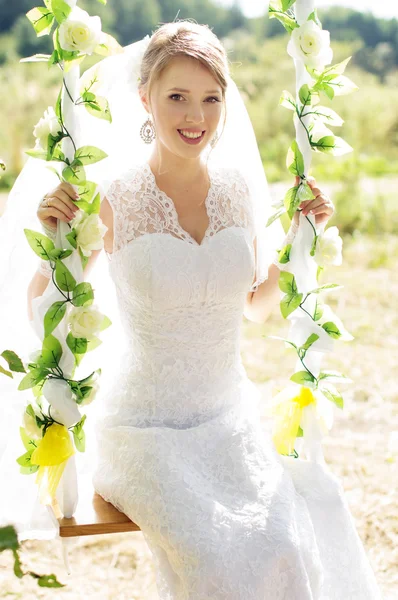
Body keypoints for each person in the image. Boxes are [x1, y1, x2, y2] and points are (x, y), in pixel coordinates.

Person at [10, 20, 382, 600]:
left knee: (283, 543)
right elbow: (42, 306)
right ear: (145, 99)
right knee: (213, 556)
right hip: (143, 430)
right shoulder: (113, 199)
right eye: (177, 97)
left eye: (211, 99)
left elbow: (257, 307)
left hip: (228, 420)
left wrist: (300, 238)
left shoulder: (237, 190)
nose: (196, 116)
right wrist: (53, 238)